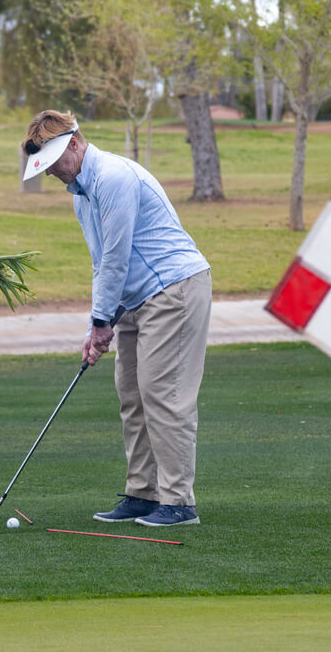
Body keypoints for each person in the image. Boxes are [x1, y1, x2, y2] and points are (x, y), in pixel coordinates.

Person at [21, 110, 212, 527]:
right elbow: (100, 263)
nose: (51, 172)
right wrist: (98, 325)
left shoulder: (113, 177)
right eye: (45, 166)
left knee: (163, 393)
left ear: (74, 143)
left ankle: (178, 502)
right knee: (131, 394)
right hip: (133, 298)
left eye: (54, 161)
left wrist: (102, 321)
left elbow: (117, 257)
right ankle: (143, 493)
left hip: (173, 288)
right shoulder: (81, 194)